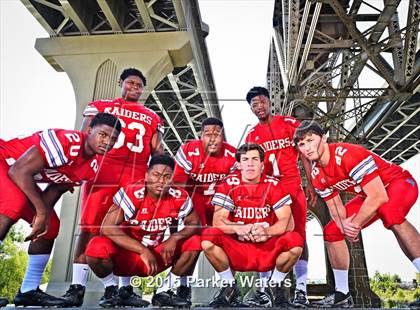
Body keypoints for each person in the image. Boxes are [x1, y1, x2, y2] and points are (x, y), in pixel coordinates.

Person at [63, 68, 164, 307]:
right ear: (120, 82)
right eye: (130, 83)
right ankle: (78, 286)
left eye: (139, 85)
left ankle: (123, 289)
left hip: (135, 174)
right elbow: (83, 136)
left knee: (126, 229)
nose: (135, 88)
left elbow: (157, 150)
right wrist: (75, 168)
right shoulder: (100, 105)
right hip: (103, 169)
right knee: (89, 227)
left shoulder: (151, 116)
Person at [294, 120, 420, 308]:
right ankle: (343, 293)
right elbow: (336, 208)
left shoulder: (347, 154)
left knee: (390, 213)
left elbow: (378, 196)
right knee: (331, 231)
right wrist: (344, 226)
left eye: (311, 140)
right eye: (302, 144)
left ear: (324, 138)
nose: (307, 148)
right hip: (370, 194)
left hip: (398, 183)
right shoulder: (317, 174)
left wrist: (356, 224)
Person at [0, 113, 121, 307]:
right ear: (89, 131)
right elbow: (19, 171)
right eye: (103, 135)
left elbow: (52, 192)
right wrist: (40, 212)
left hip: (16, 176)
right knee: (13, 204)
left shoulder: (90, 168)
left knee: (51, 225)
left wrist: (43, 216)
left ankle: (28, 290)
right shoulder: (68, 141)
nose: (107, 142)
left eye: (113, 139)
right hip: (5, 161)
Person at [85, 155, 201, 307]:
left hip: (157, 256)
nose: (161, 181)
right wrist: (141, 250)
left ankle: (163, 292)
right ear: (146, 176)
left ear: (172, 179)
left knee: (195, 242)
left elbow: (195, 223)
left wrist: (174, 238)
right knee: (96, 246)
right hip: (128, 256)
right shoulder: (133, 193)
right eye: (156, 175)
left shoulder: (178, 196)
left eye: (167, 177)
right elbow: (107, 227)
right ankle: (113, 290)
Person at [201, 143, 304, 307]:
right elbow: (218, 220)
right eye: (245, 159)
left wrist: (267, 231)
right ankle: (229, 286)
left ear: (262, 164)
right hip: (238, 248)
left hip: (265, 248)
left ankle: (275, 284)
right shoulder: (228, 184)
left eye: (255, 159)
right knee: (209, 236)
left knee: (295, 240)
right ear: (239, 164)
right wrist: (238, 228)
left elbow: (288, 222)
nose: (250, 163)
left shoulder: (273, 184)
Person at [244, 86, 316, 307]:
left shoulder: (289, 124)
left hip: (293, 187)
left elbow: (304, 153)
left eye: (262, 101)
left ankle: (301, 290)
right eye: (254, 104)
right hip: (269, 193)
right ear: (251, 109)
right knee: (266, 236)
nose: (259, 107)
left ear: (269, 102)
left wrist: (310, 183)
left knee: (299, 236)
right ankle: (265, 290)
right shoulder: (252, 135)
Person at [172, 117, 237, 304]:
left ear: (223, 136)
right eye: (208, 134)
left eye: (217, 134)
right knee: (190, 239)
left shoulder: (232, 154)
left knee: (227, 238)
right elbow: (178, 186)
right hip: (195, 199)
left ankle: (229, 288)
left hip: (220, 200)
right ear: (200, 136)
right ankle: (183, 286)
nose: (212, 139)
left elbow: (234, 190)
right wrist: (179, 215)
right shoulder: (188, 150)